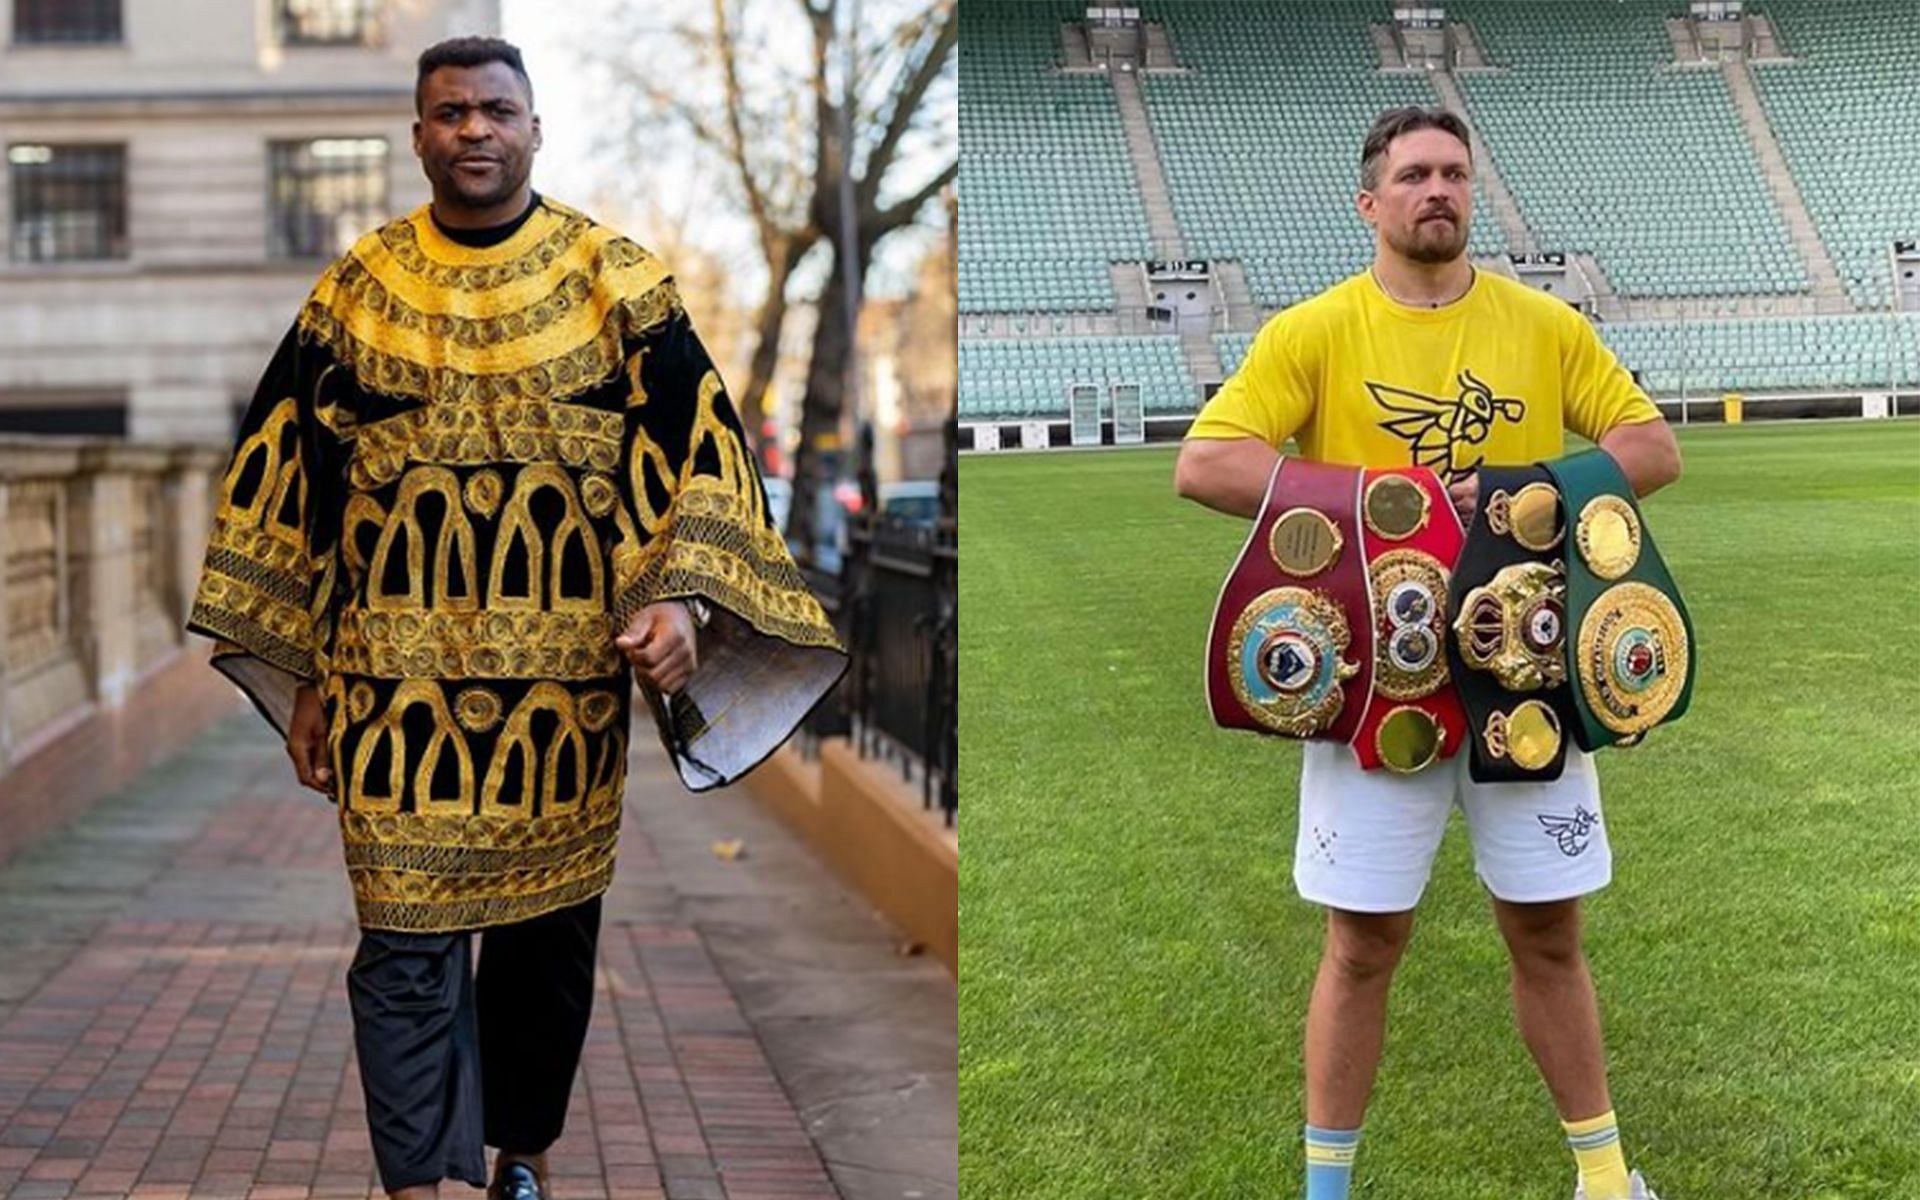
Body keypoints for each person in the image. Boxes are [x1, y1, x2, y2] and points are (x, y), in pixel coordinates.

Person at [185, 36, 843, 1200]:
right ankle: (416, 1184)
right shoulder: (357, 289)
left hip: (564, 691)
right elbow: (292, 480)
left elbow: (701, 451)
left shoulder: (616, 277)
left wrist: (685, 598)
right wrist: (306, 679)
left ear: (536, 129)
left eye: (497, 109)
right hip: (392, 687)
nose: (474, 130)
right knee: (400, 943)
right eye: (450, 112)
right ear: (419, 135)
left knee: (545, 944)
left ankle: (521, 1161)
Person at [1175, 106, 1682, 1200]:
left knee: (1549, 934)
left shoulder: (1543, 327)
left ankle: (1603, 1182)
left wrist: (1524, 492)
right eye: (1413, 175)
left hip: (1528, 672)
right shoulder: (1312, 332)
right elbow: (1208, 462)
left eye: (1454, 173)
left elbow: (1650, 447)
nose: (1437, 190)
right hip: (1373, 686)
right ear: (1371, 203)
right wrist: (1375, 506)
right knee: (1363, 946)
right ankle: (1327, 1193)